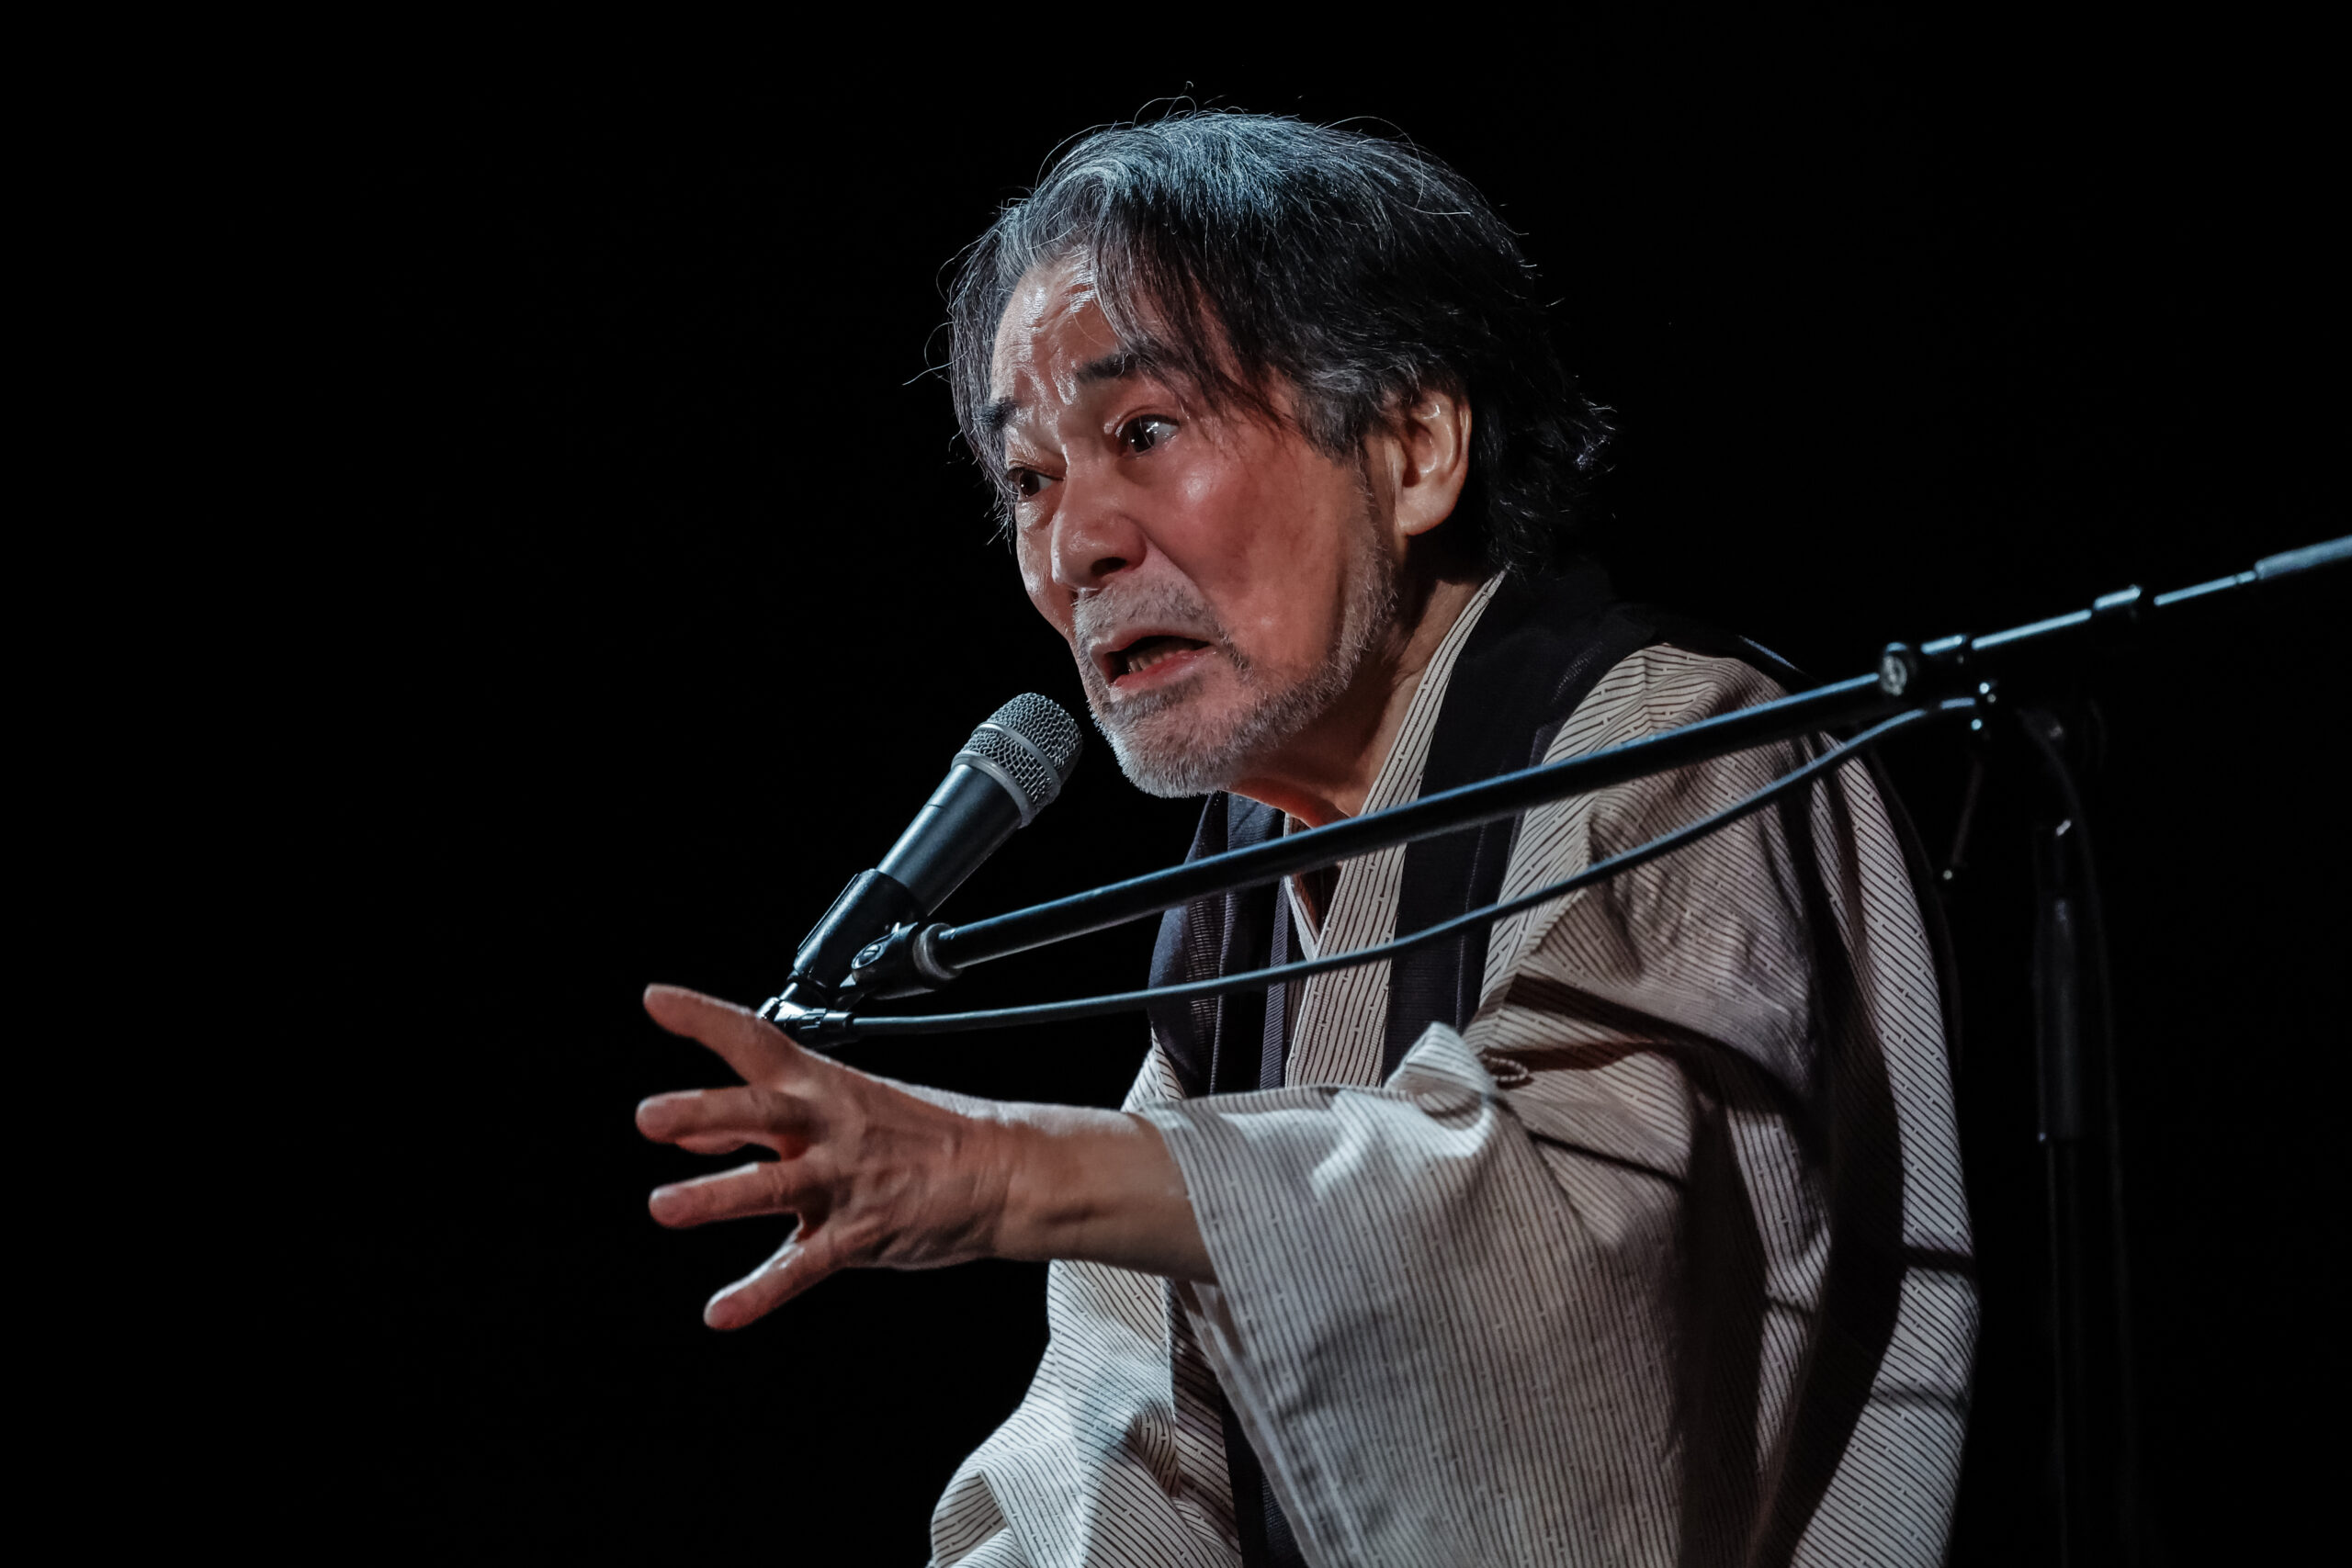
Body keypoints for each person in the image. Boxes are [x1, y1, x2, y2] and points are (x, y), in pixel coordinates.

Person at [634, 114, 1973, 1567]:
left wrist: (1014, 1174)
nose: (1074, 548)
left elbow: (1573, 1258)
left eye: (1144, 433)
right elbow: (1129, 1428)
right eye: (1028, 480)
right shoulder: (1251, 892)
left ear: (1413, 446)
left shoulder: (1672, 741)